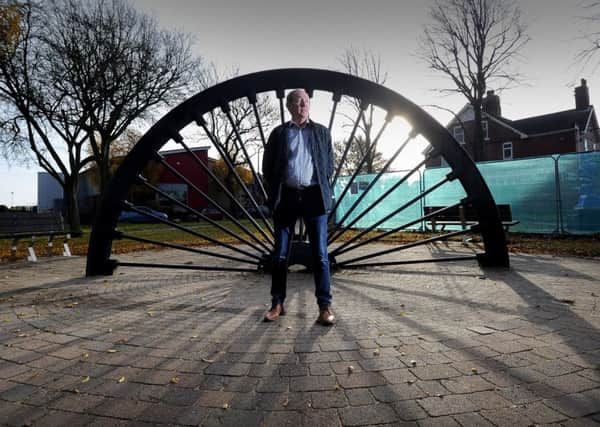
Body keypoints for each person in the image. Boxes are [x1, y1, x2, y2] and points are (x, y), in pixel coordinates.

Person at [262, 89, 335, 326]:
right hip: (288, 197)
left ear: (309, 105)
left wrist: (322, 184)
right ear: (289, 107)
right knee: (280, 254)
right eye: (296, 102)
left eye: (305, 101)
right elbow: (268, 167)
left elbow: (329, 165)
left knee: (321, 256)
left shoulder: (322, 133)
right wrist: (276, 192)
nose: (301, 105)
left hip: (315, 196)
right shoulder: (279, 133)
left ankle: (324, 307)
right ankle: (277, 303)